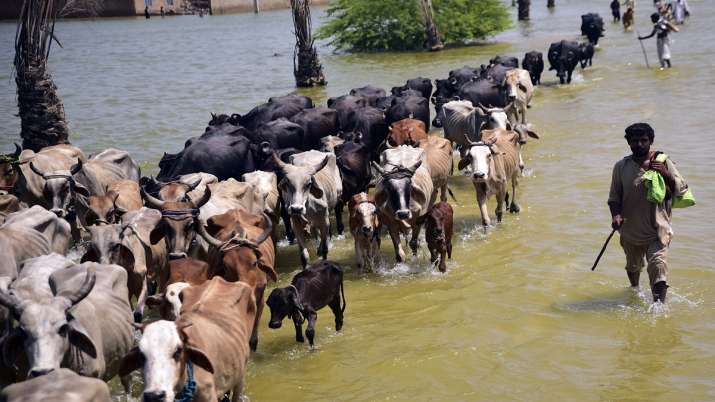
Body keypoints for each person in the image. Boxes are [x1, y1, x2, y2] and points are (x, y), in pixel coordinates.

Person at [608, 123, 689, 304]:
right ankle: (635, 291)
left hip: (657, 230)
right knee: (633, 267)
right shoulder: (621, 167)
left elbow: (681, 190)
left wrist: (666, 174)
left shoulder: (663, 162)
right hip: (630, 230)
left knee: (658, 268)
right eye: (634, 141)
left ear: (651, 141)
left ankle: (659, 309)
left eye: (643, 140)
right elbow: (614, 198)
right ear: (628, 142)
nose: (639, 144)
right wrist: (616, 216)